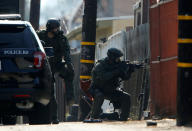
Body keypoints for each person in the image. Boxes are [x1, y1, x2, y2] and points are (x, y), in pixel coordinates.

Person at [37, 18, 74, 124]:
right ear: (50, 28)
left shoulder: (61, 38)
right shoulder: (40, 36)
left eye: (58, 28)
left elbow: (66, 52)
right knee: (50, 92)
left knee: (69, 71)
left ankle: (70, 97)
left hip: (57, 64)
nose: (57, 30)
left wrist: (69, 63)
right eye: (55, 28)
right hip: (45, 65)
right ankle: (54, 117)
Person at [88, 48, 136, 121]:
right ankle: (93, 117)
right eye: (117, 58)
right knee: (99, 96)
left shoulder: (117, 65)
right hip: (98, 89)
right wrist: (117, 71)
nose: (119, 60)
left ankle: (123, 118)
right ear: (112, 57)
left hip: (111, 90)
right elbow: (104, 77)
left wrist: (129, 71)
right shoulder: (100, 65)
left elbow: (125, 77)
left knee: (126, 97)